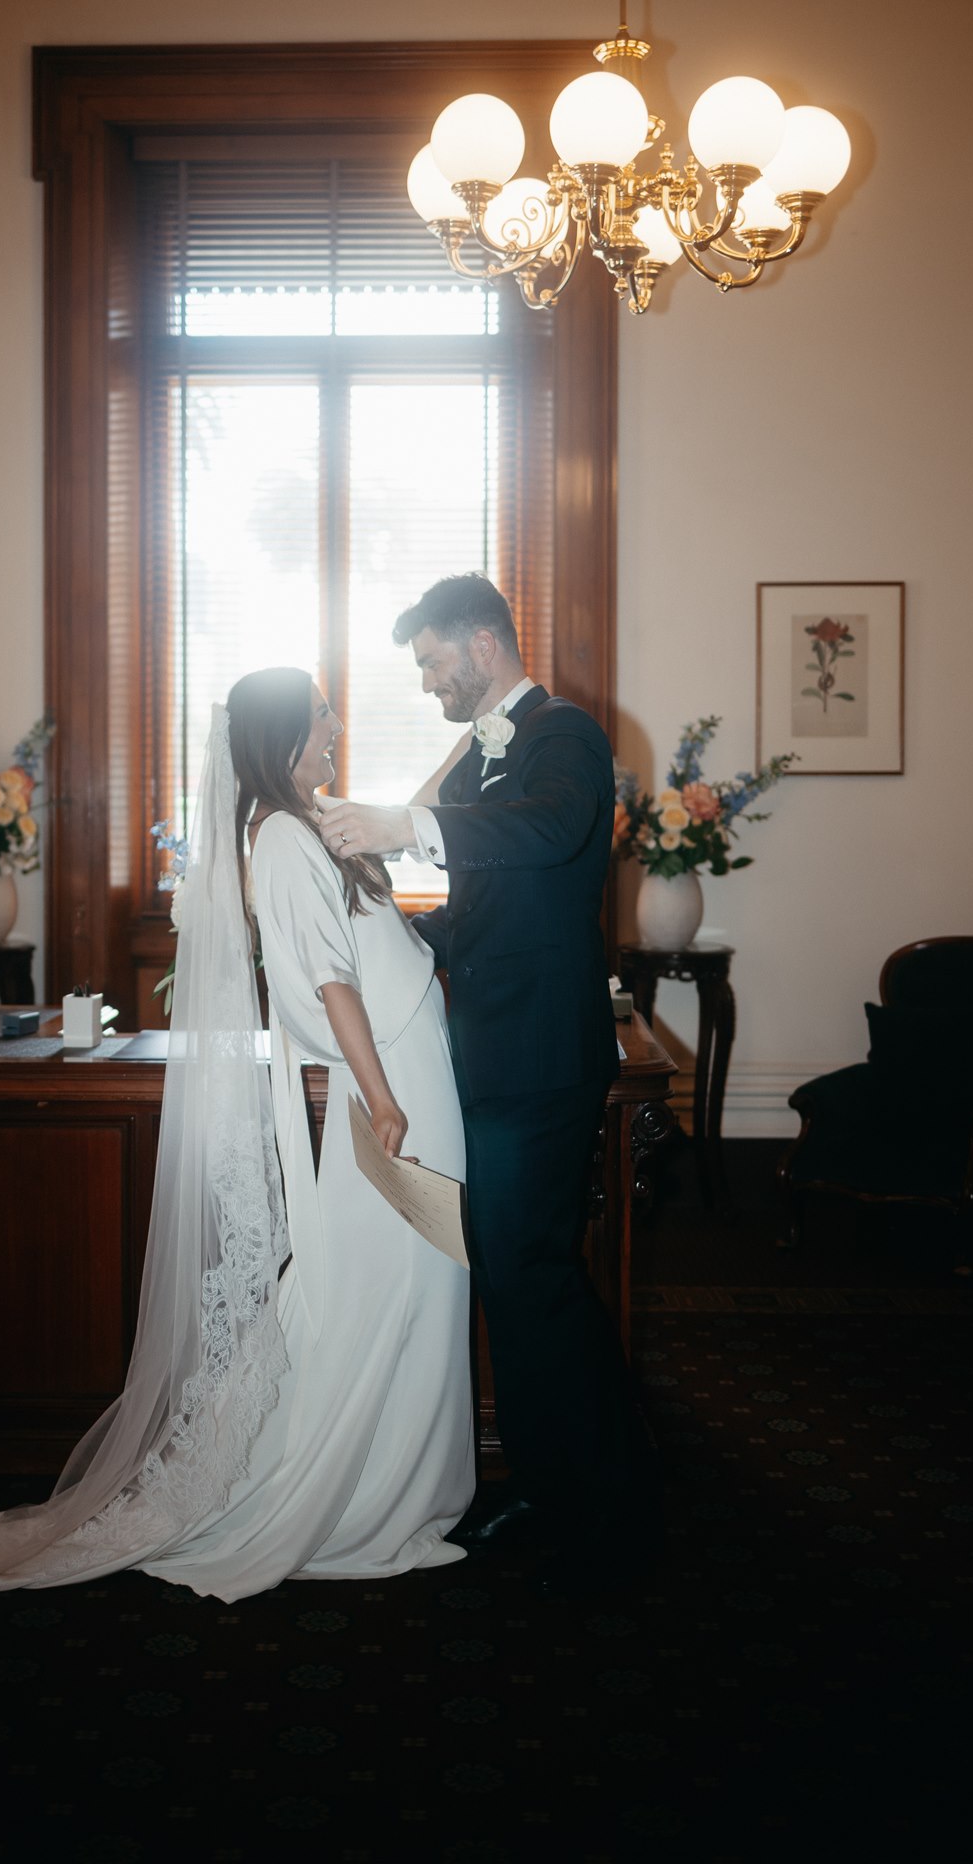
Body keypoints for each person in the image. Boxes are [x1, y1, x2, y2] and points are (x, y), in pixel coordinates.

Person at [0, 667, 473, 1602]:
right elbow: (327, 982)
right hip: (394, 1077)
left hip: (413, 1064)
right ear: (281, 738)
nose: (337, 724)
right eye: (321, 714)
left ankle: (393, 1489)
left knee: (403, 1285)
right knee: (387, 1285)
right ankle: (359, 1502)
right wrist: (385, 1099)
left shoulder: (313, 817)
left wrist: (485, 734)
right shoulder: (276, 839)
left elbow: (414, 813)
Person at [318, 574, 662, 1592]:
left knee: (527, 1273)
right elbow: (482, 907)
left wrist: (400, 825)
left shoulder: (566, 735)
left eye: (430, 660)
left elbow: (550, 833)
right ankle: (596, 1470)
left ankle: (577, 1491)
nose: (425, 683)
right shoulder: (478, 757)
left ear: (480, 640)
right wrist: (393, 928)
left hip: (542, 1056)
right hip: (492, 1052)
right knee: (524, 1272)